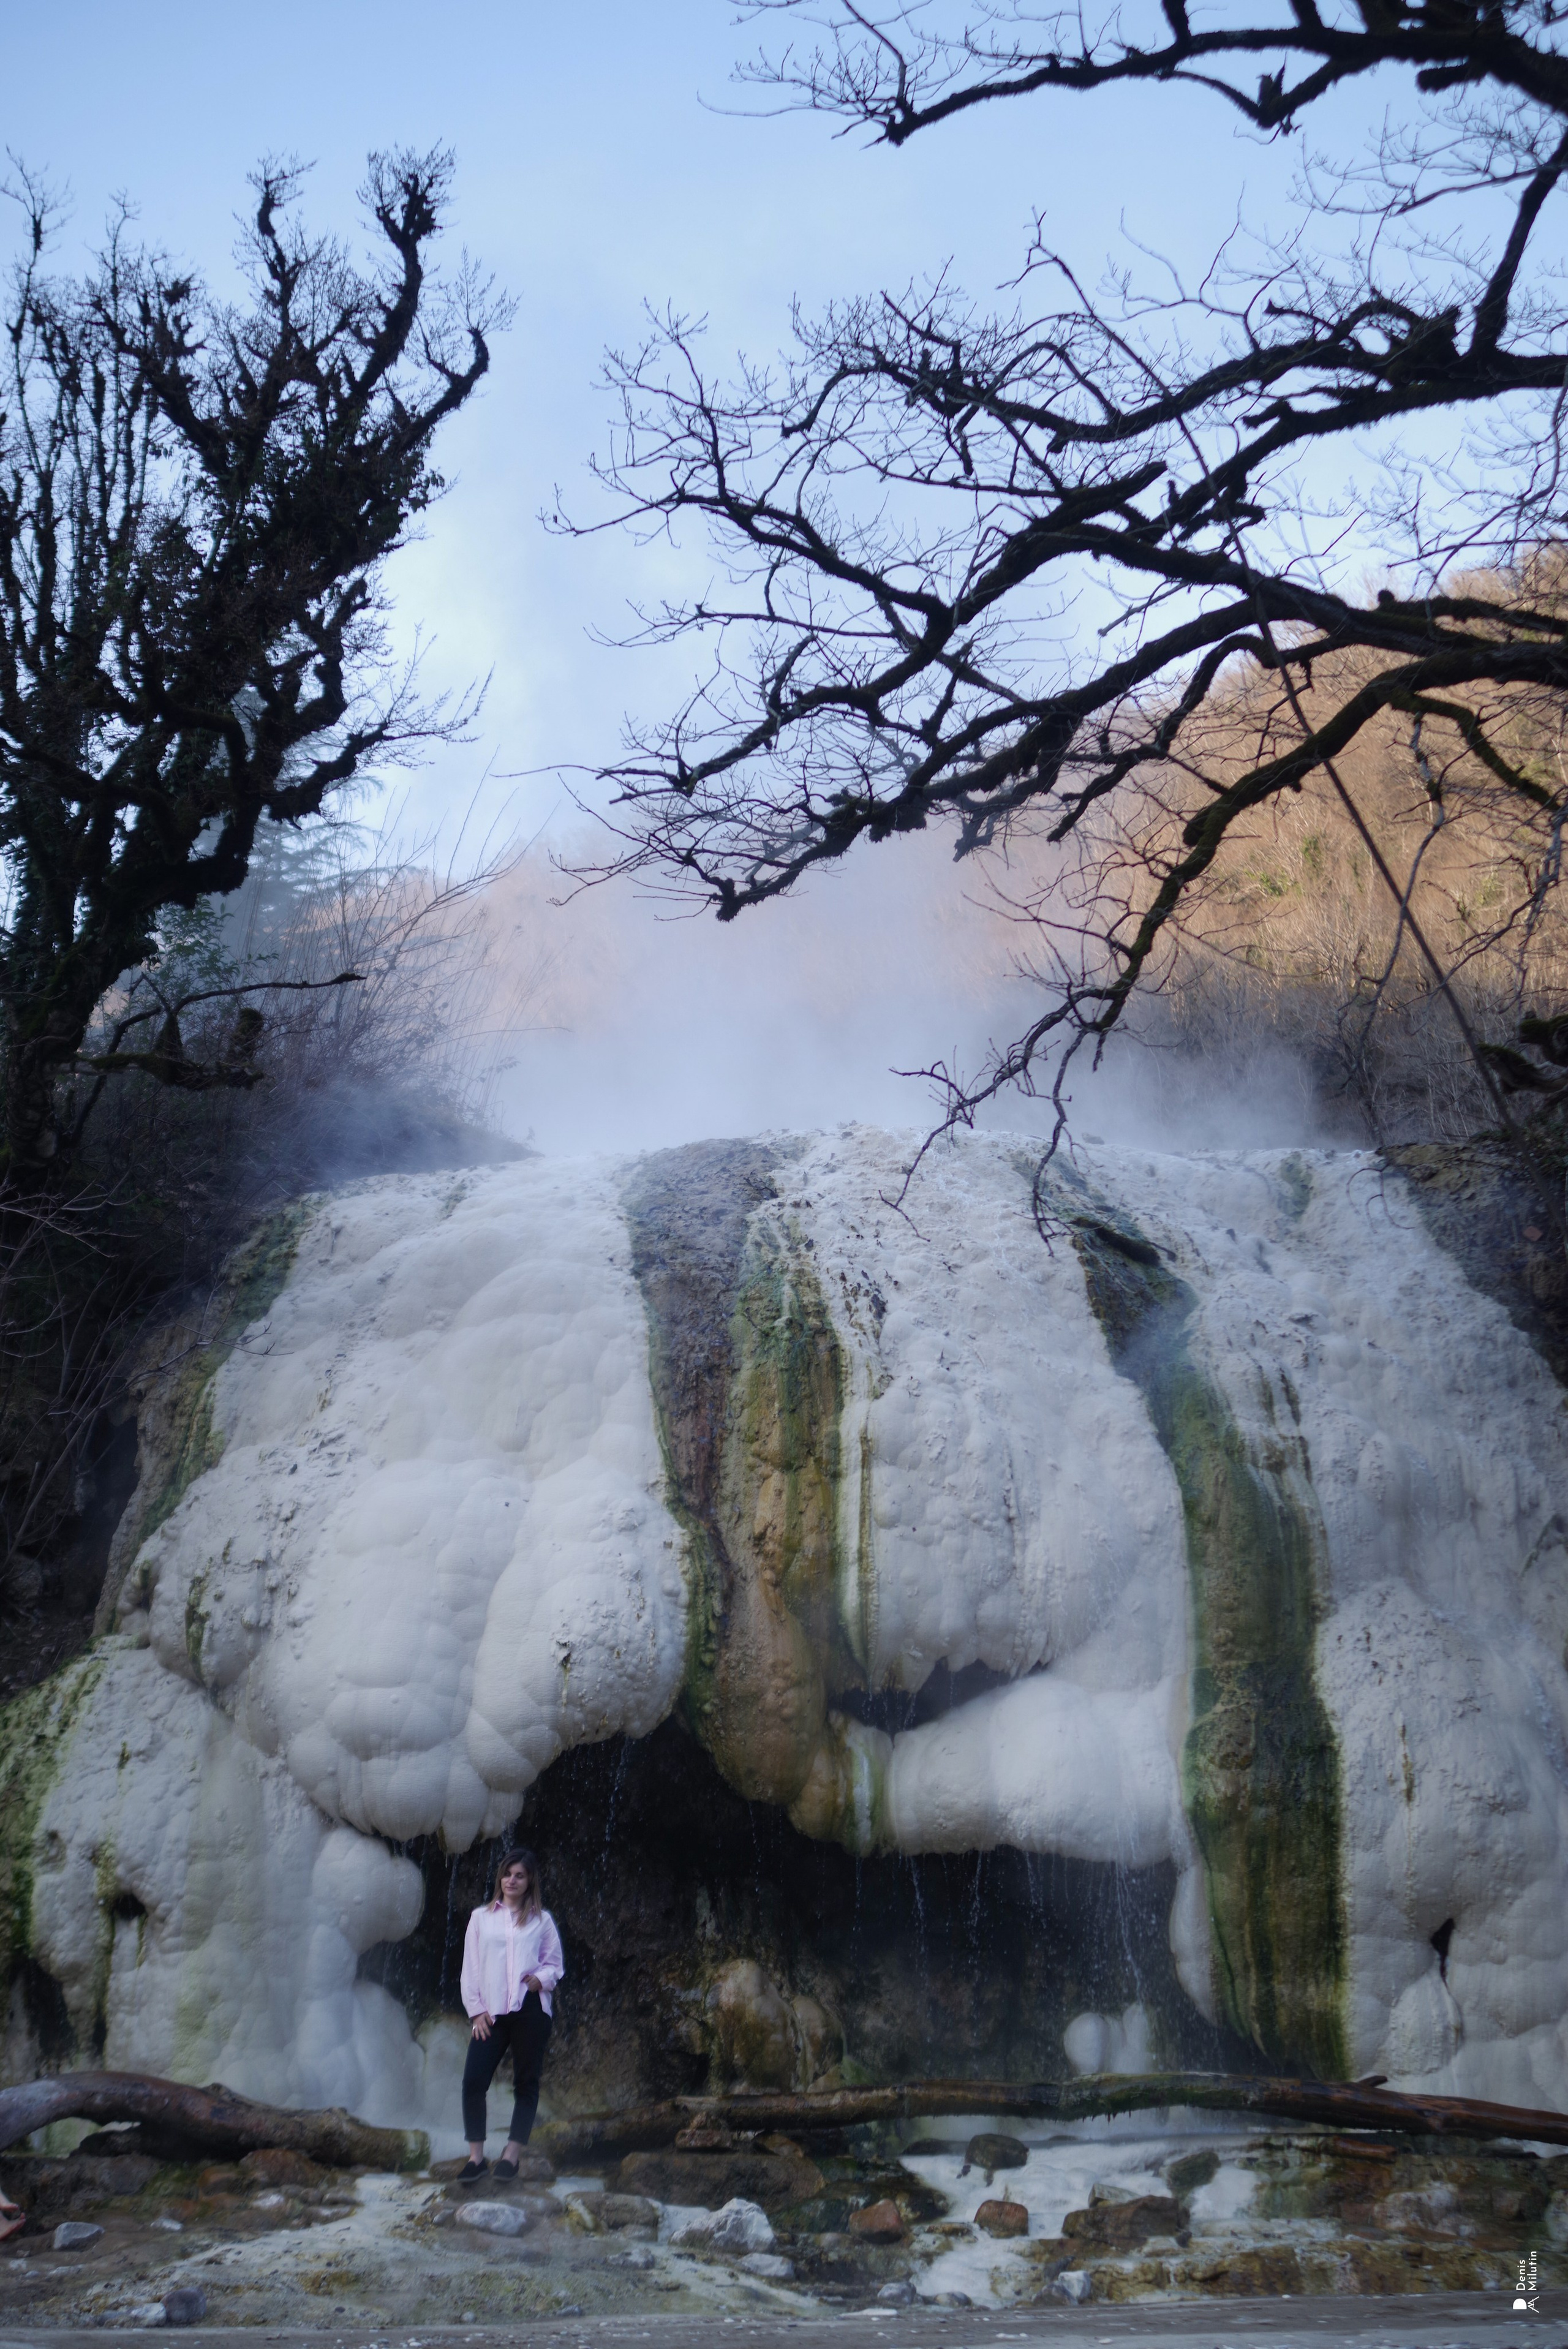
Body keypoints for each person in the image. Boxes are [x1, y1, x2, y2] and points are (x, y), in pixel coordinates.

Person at [457, 1843, 564, 2184]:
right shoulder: (481, 1918)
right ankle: (476, 2159)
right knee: (474, 2081)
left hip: (530, 2011)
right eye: (507, 1873)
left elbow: (555, 1965)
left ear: (530, 1881)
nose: (512, 1880)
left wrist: (540, 1980)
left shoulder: (542, 1921)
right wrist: (476, 2013)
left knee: (526, 2082)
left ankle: (511, 2156)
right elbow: (470, 1970)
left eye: (520, 1876)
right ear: (500, 1878)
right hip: (490, 2014)